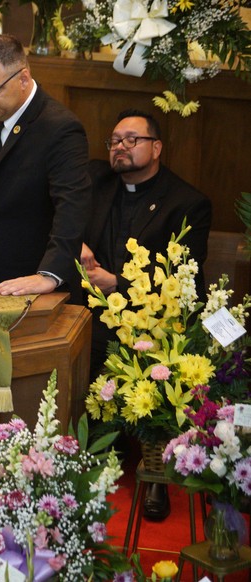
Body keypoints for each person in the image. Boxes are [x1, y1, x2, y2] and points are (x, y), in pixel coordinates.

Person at [81, 109, 212, 522]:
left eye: (131, 139)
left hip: (154, 320)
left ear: (156, 148)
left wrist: (116, 282)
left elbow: (183, 275)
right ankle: (98, 453)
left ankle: (156, 472)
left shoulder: (187, 202)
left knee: (161, 361)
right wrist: (76, 248)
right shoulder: (96, 182)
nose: (119, 146)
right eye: (114, 140)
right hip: (93, 313)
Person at [0, 34, 91, 297]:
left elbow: (72, 208)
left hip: (25, 283)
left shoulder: (60, 128)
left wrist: (49, 275)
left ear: (23, 79)